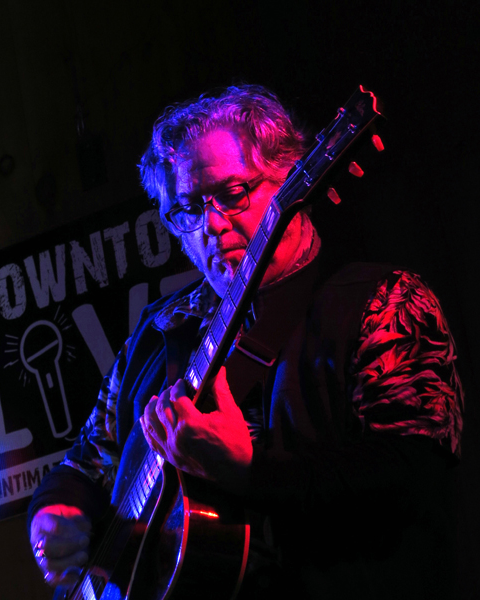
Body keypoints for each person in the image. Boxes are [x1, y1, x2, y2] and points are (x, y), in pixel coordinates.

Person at [28, 85, 464, 599]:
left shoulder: (384, 301)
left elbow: (416, 480)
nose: (211, 225)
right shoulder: (159, 330)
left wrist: (250, 471)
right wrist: (56, 509)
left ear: (289, 177)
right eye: (187, 211)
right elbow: (85, 462)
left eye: (233, 193)